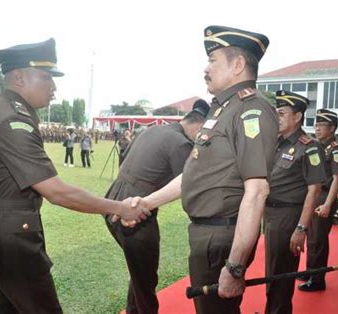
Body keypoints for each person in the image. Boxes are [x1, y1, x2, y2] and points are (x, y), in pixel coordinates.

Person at [0, 38, 150, 314]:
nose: (54, 87)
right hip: (9, 236)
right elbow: (56, 191)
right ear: (19, 77)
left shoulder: (11, 113)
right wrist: (118, 208)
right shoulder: (12, 121)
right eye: (46, 77)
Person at [130, 25, 278, 314]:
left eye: (213, 60)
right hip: (206, 234)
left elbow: (257, 190)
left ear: (237, 65)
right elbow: (194, 174)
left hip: (221, 237)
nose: (206, 68)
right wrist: (147, 202)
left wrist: (234, 267)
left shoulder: (251, 110)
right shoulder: (223, 110)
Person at [105, 99, 209, 314]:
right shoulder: (181, 143)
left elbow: (123, 161)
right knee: (146, 277)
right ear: (199, 127)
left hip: (115, 200)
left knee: (139, 270)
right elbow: (188, 185)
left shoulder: (153, 130)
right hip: (135, 211)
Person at [264, 90, 327, 314]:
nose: (276, 117)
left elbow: (315, 190)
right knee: (273, 272)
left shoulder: (309, 147)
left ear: (297, 116)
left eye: (281, 113)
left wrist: (301, 228)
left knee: (281, 275)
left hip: (289, 217)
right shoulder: (276, 143)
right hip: (271, 216)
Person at [298, 109, 338, 292]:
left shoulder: (335, 150)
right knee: (311, 239)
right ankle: (310, 271)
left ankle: (318, 279)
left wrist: (327, 204)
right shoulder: (319, 147)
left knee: (318, 240)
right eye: (315, 125)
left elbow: (337, 178)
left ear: (332, 128)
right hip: (316, 197)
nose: (316, 129)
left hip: (325, 197)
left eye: (321, 125)